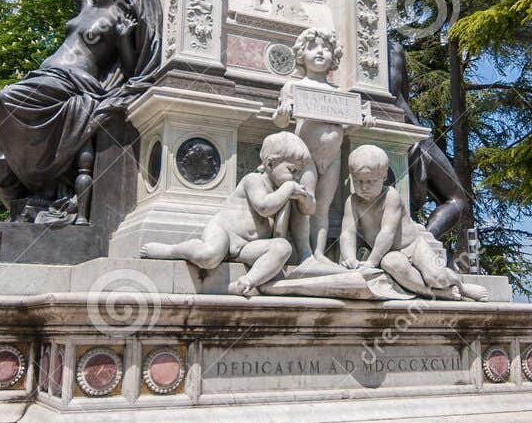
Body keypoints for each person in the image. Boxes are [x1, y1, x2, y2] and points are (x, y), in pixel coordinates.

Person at [0, 0, 160, 224]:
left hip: (74, 81)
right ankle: (30, 201)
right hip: (46, 76)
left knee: (6, 98)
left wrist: (125, 39)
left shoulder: (120, 14)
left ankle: (38, 177)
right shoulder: (87, 4)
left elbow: (131, 68)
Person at [141, 132, 313, 295]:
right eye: (291, 170)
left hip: (246, 247)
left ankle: (245, 283)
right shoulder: (253, 180)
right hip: (225, 232)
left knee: (283, 247)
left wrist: (303, 197)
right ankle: (172, 250)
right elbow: (264, 207)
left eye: (298, 173)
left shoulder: (284, 192)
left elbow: (308, 211)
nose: (295, 178)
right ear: (269, 164)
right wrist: (288, 188)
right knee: (209, 256)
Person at [340, 145, 487, 299]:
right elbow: (347, 233)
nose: (364, 187)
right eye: (358, 181)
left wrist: (371, 263)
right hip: (389, 253)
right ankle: (439, 294)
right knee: (392, 264)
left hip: (412, 245)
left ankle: (461, 285)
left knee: (436, 277)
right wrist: (349, 258)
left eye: (370, 181)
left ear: (384, 176)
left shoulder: (391, 196)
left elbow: (387, 232)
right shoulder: (353, 202)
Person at [273, 27, 367, 260]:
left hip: (332, 157)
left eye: (326, 48)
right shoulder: (293, 87)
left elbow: (345, 127)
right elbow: (280, 121)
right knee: (307, 203)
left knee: (323, 207)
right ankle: (304, 252)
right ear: (301, 54)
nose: (320, 52)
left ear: (333, 58)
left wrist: (362, 122)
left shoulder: (340, 93)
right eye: (313, 47)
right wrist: (283, 113)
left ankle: (318, 252)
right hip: (306, 156)